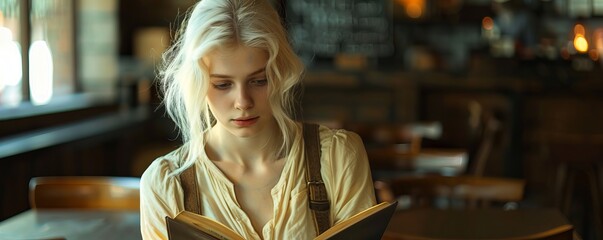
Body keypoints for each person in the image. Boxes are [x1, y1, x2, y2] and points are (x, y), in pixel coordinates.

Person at [139, 0, 376, 239]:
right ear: (197, 83)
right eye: (222, 85)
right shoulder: (165, 185)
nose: (243, 101)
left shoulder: (337, 157)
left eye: (259, 81)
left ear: (281, 73)